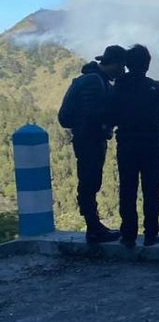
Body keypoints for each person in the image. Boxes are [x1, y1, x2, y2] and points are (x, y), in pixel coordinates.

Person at [58, 45, 126, 243]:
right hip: (89, 140)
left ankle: (94, 226)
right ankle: (93, 227)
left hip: (88, 138)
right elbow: (92, 113)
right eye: (121, 67)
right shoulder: (95, 83)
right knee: (89, 182)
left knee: (90, 182)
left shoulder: (95, 79)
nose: (122, 71)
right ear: (114, 64)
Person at [108, 44, 159, 248]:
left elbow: (109, 112)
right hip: (151, 144)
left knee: (127, 189)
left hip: (126, 143)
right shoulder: (155, 86)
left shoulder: (118, 86)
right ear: (147, 64)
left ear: (127, 64)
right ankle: (150, 234)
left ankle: (128, 235)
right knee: (151, 189)